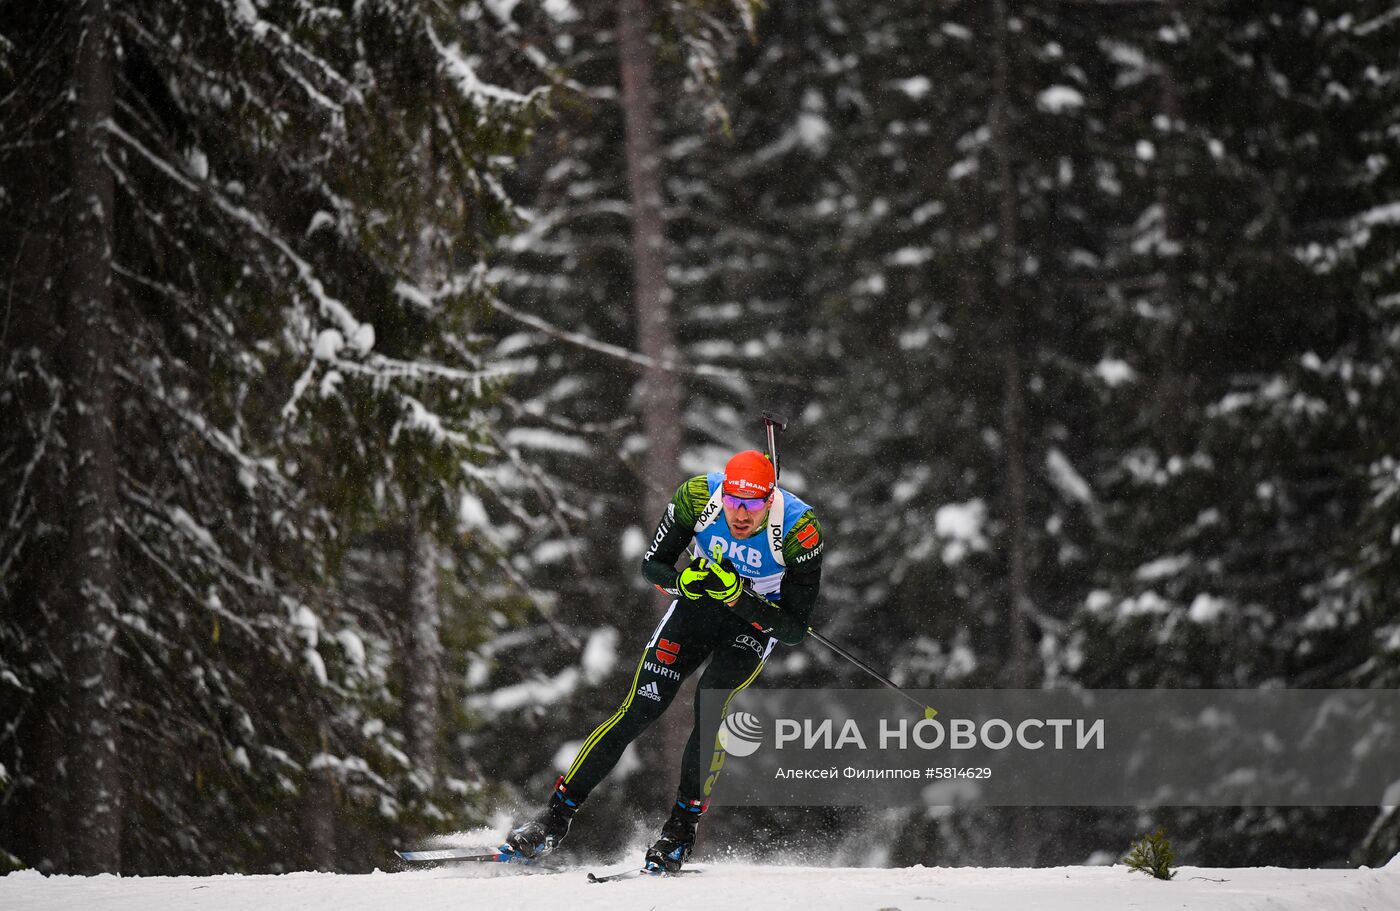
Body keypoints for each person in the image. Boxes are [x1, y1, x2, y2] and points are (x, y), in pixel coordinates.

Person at [500, 449, 826, 872]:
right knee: (639, 709)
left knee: (710, 704)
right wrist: (682, 581)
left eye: (752, 506)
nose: (740, 515)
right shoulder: (696, 498)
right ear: (723, 493)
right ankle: (553, 819)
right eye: (733, 502)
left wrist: (738, 598)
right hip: (695, 612)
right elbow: (653, 567)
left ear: (770, 501)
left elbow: (795, 629)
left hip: (751, 626)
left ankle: (680, 831)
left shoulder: (801, 530)